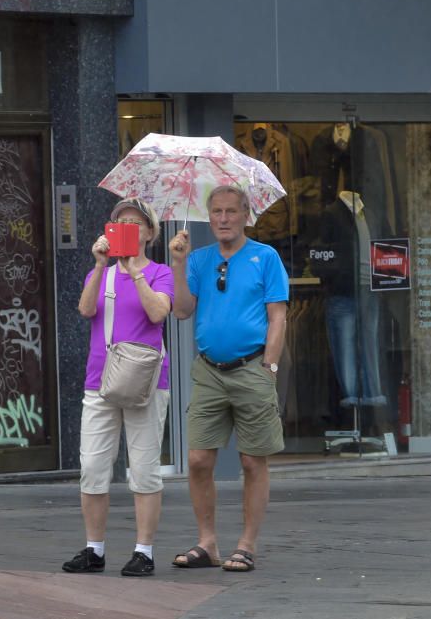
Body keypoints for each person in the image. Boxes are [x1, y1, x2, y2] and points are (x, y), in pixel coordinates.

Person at [168, 185, 289, 572]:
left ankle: (246, 544)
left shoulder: (265, 257)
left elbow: (278, 316)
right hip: (209, 371)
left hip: (252, 368)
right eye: (216, 212)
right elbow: (183, 311)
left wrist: (269, 367)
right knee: (198, 459)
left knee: (253, 462)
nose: (222, 219)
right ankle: (207, 543)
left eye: (230, 212)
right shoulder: (199, 259)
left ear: (245, 214)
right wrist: (178, 265)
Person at [62, 198, 174, 577]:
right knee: (93, 465)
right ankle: (94, 548)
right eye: (120, 222)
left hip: (145, 381)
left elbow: (159, 313)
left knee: (143, 469)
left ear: (150, 233)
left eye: (136, 223)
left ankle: (144, 551)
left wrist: (135, 273)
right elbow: (85, 309)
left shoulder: (159, 273)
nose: (128, 227)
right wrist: (100, 264)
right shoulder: (102, 273)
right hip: (100, 380)